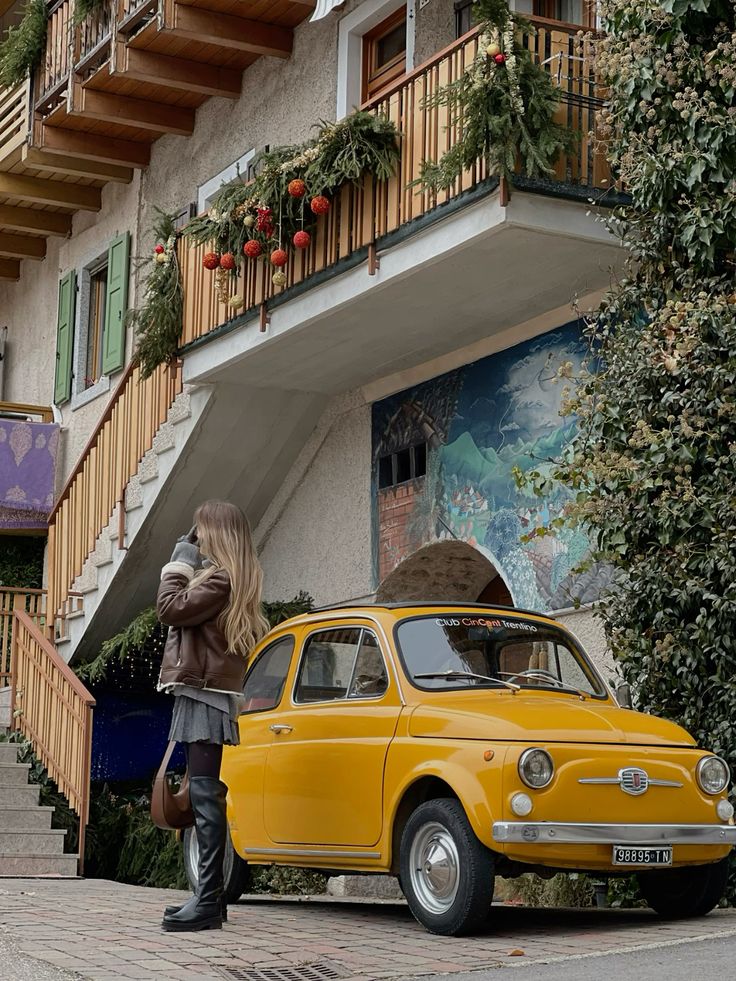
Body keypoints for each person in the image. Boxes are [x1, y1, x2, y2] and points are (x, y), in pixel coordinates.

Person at [156, 500, 269, 932]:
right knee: (205, 792)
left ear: (217, 534)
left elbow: (168, 608)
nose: (195, 539)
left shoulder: (220, 579)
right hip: (202, 690)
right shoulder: (223, 579)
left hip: (205, 693)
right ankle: (211, 900)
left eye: (200, 532)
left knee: (205, 795)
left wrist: (179, 561)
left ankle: (207, 901)